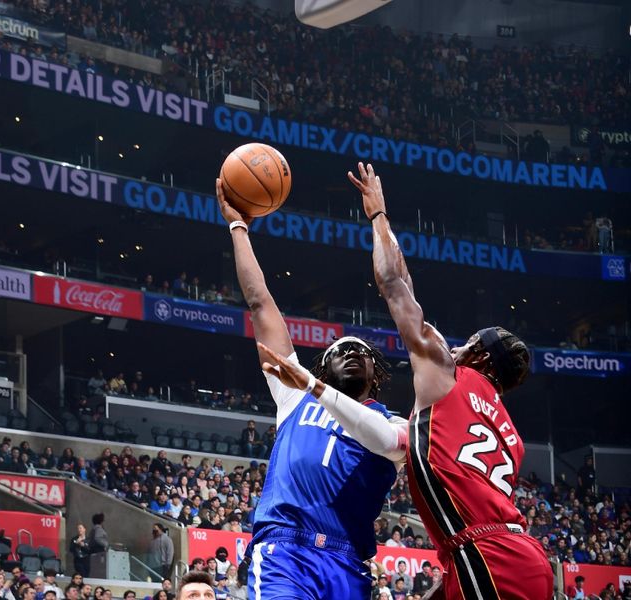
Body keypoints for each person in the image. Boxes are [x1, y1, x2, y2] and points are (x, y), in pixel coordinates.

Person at [347, 162, 553, 600]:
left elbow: (391, 282)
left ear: (478, 354)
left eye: (468, 343)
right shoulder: (512, 438)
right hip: (520, 558)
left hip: (487, 557)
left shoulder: (447, 372)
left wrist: (378, 216)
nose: (456, 346)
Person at [215, 179, 404, 599]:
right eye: (342, 350)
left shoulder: (394, 426)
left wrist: (380, 218)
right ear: (323, 367)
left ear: (376, 373)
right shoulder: (293, 392)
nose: (353, 353)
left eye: (362, 352)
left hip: (348, 563)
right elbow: (261, 302)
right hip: (286, 551)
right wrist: (238, 228)